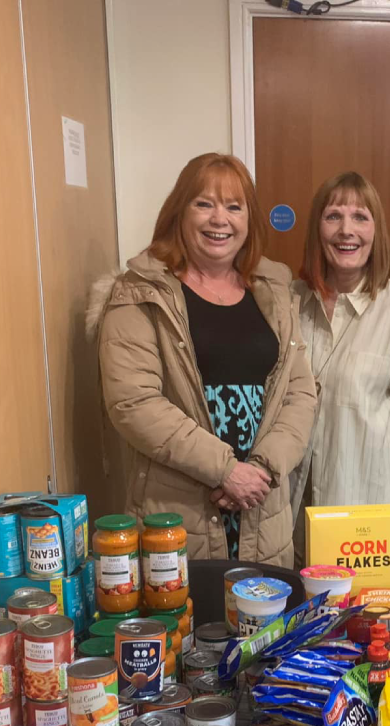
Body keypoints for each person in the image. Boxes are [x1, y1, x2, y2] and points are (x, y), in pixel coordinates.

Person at [91, 153, 316, 566]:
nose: (220, 219)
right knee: (188, 626)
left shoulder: (273, 293)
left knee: (261, 623)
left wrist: (261, 471)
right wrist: (226, 471)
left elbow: (300, 393)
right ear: (179, 212)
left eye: (234, 207)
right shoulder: (141, 292)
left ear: (249, 221)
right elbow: (134, 403)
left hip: (261, 507)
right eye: (204, 204)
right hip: (179, 512)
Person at [291, 171, 390, 548]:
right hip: (287, 514)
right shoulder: (289, 303)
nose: (346, 230)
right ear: (316, 228)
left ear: (376, 232)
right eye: (333, 216)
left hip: (361, 518)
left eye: (360, 217)